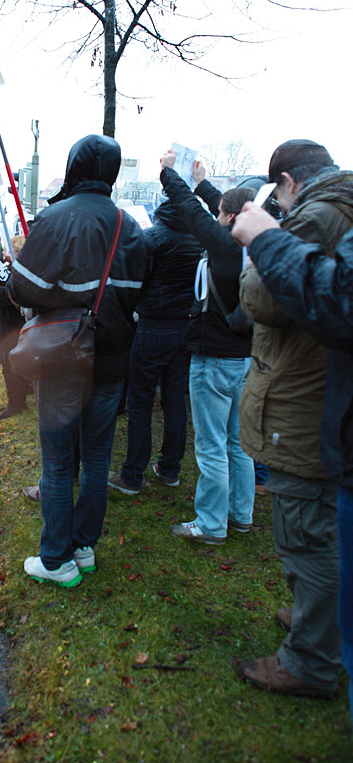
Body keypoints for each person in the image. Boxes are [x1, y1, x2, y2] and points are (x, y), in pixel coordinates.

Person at [236, 139, 353, 699]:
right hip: (322, 395)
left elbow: (262, 298)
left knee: (306, 534)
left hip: (301, 402)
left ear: (284, 181)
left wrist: (259, 242)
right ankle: (316, 621)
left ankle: (310, 659)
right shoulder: (342, 208)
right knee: (317, 526)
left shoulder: (317, 214)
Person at [7, 134, 146, 587]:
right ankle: (84, 547)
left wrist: (19, 278)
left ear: (74, 166)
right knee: (98, 457)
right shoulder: (131, 227)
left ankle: (55, 560)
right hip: (110, 359)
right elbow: (136, 294)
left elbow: (25, 290)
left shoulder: (55, 218)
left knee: (59, 462)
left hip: (63, 357)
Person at [159, 154, 255, 545]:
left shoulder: (222, 243)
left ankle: (212, 524)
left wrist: (169, 173)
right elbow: (222, 207)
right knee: (239, 443)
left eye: (221, 213)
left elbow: (188, 209)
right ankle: (241, 514)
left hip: (213, 358)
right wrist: (203, 182)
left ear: (229, 217)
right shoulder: (258, 243)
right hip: (246, 358)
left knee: (212, 445)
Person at [107, 194, 203, 494]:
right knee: (174, 399)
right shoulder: (198, 240)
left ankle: (132, 475)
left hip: (152, 325)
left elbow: (135, 281)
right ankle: (170, 468)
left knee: (140, 402)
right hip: (184, 326)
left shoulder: (152, 238)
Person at [0, 236, 29, 420]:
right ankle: (20, 402)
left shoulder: (22, 271)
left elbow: (16, 295)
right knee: (12, 365)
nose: (3, 253)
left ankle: (16, 405)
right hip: (9, 324)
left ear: (16, 251)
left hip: (13, 325)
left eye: (7, 250)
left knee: (10, 366)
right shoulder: (15, 269)